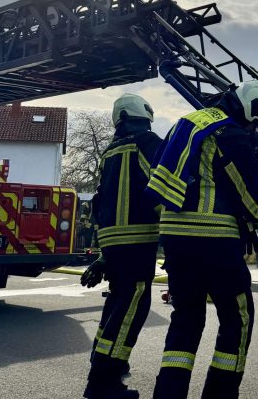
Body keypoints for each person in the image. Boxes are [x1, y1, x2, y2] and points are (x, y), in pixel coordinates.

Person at [147, 80, 258, 399]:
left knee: (186, 320)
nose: (253, 135)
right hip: (215, 242)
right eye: (255, 128)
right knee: (238, 320)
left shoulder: (188, 124)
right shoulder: (230, 134)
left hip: (176, 241)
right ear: (252, 110)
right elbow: (252, 204)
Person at [80, 93, 163, 399]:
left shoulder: (110, 152)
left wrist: (103, 254)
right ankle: (105, 382)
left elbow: (102, 201)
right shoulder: (148, 142)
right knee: (131, 310)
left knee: (116, 306)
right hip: (138, 241)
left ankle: (100, 365)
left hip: (113, 244)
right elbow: (163, 187)